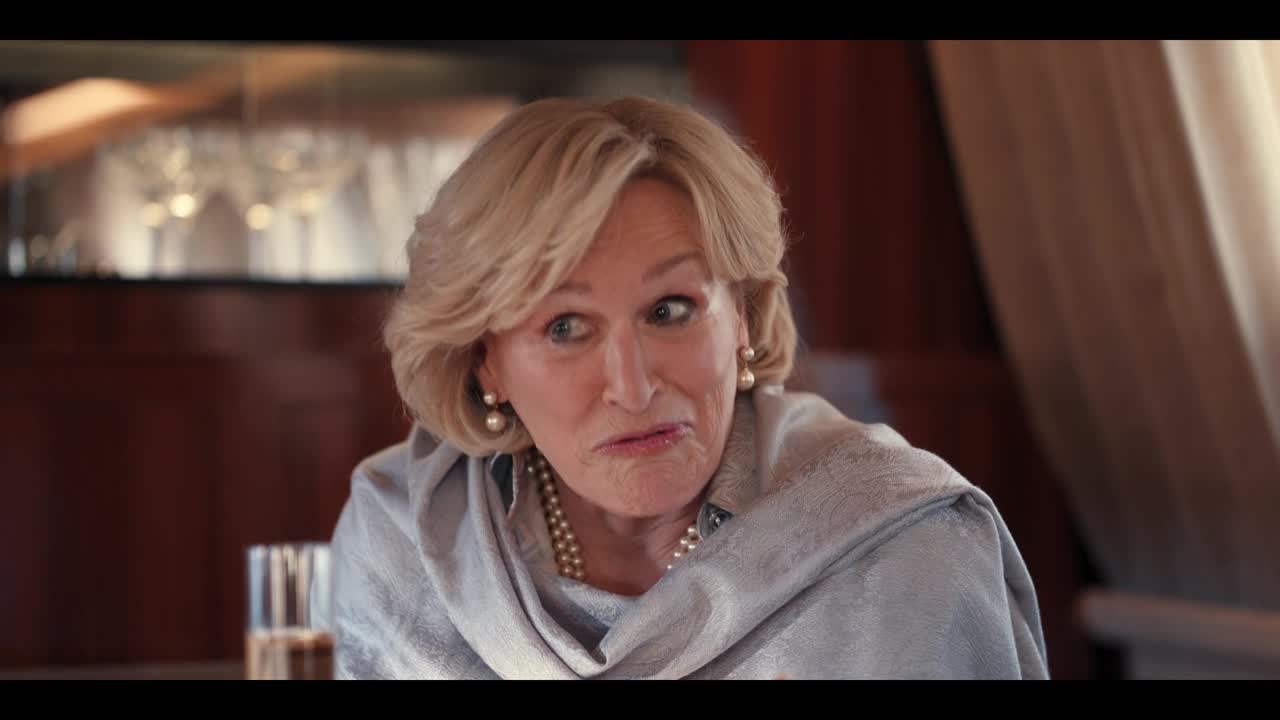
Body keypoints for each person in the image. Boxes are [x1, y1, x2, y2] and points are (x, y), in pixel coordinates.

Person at [329, 96, 1049, 679]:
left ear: (742, 315)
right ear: (485, 362)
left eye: (670, 311)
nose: (633, 387)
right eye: (565, 327)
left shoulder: (904, 545)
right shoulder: (405, 540)